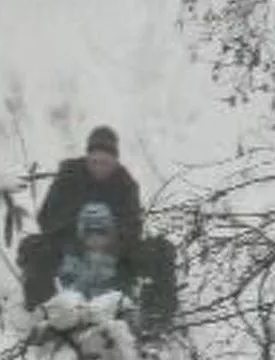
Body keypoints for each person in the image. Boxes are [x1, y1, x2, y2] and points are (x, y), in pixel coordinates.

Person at [19, 125, 178, 331]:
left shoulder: (126, 184)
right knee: (33, 247)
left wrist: (109, 241)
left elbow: (133, 227)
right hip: (70, 246)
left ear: (115, 161)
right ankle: (45, 313)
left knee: (160, 250)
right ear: (87, 158)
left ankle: (155, 317)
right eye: (95, 162)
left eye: (105, 163)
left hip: (114, 253)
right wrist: (78, 235)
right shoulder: (68, 176)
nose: (100, 167)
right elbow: (46, 218)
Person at [56, 202, 124, 303]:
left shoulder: (119, 261)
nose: (95, 238)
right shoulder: (72, 260)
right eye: (89, 232)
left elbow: (125, 289)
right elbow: (66, 289)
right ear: (82, 233)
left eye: (101, 232)